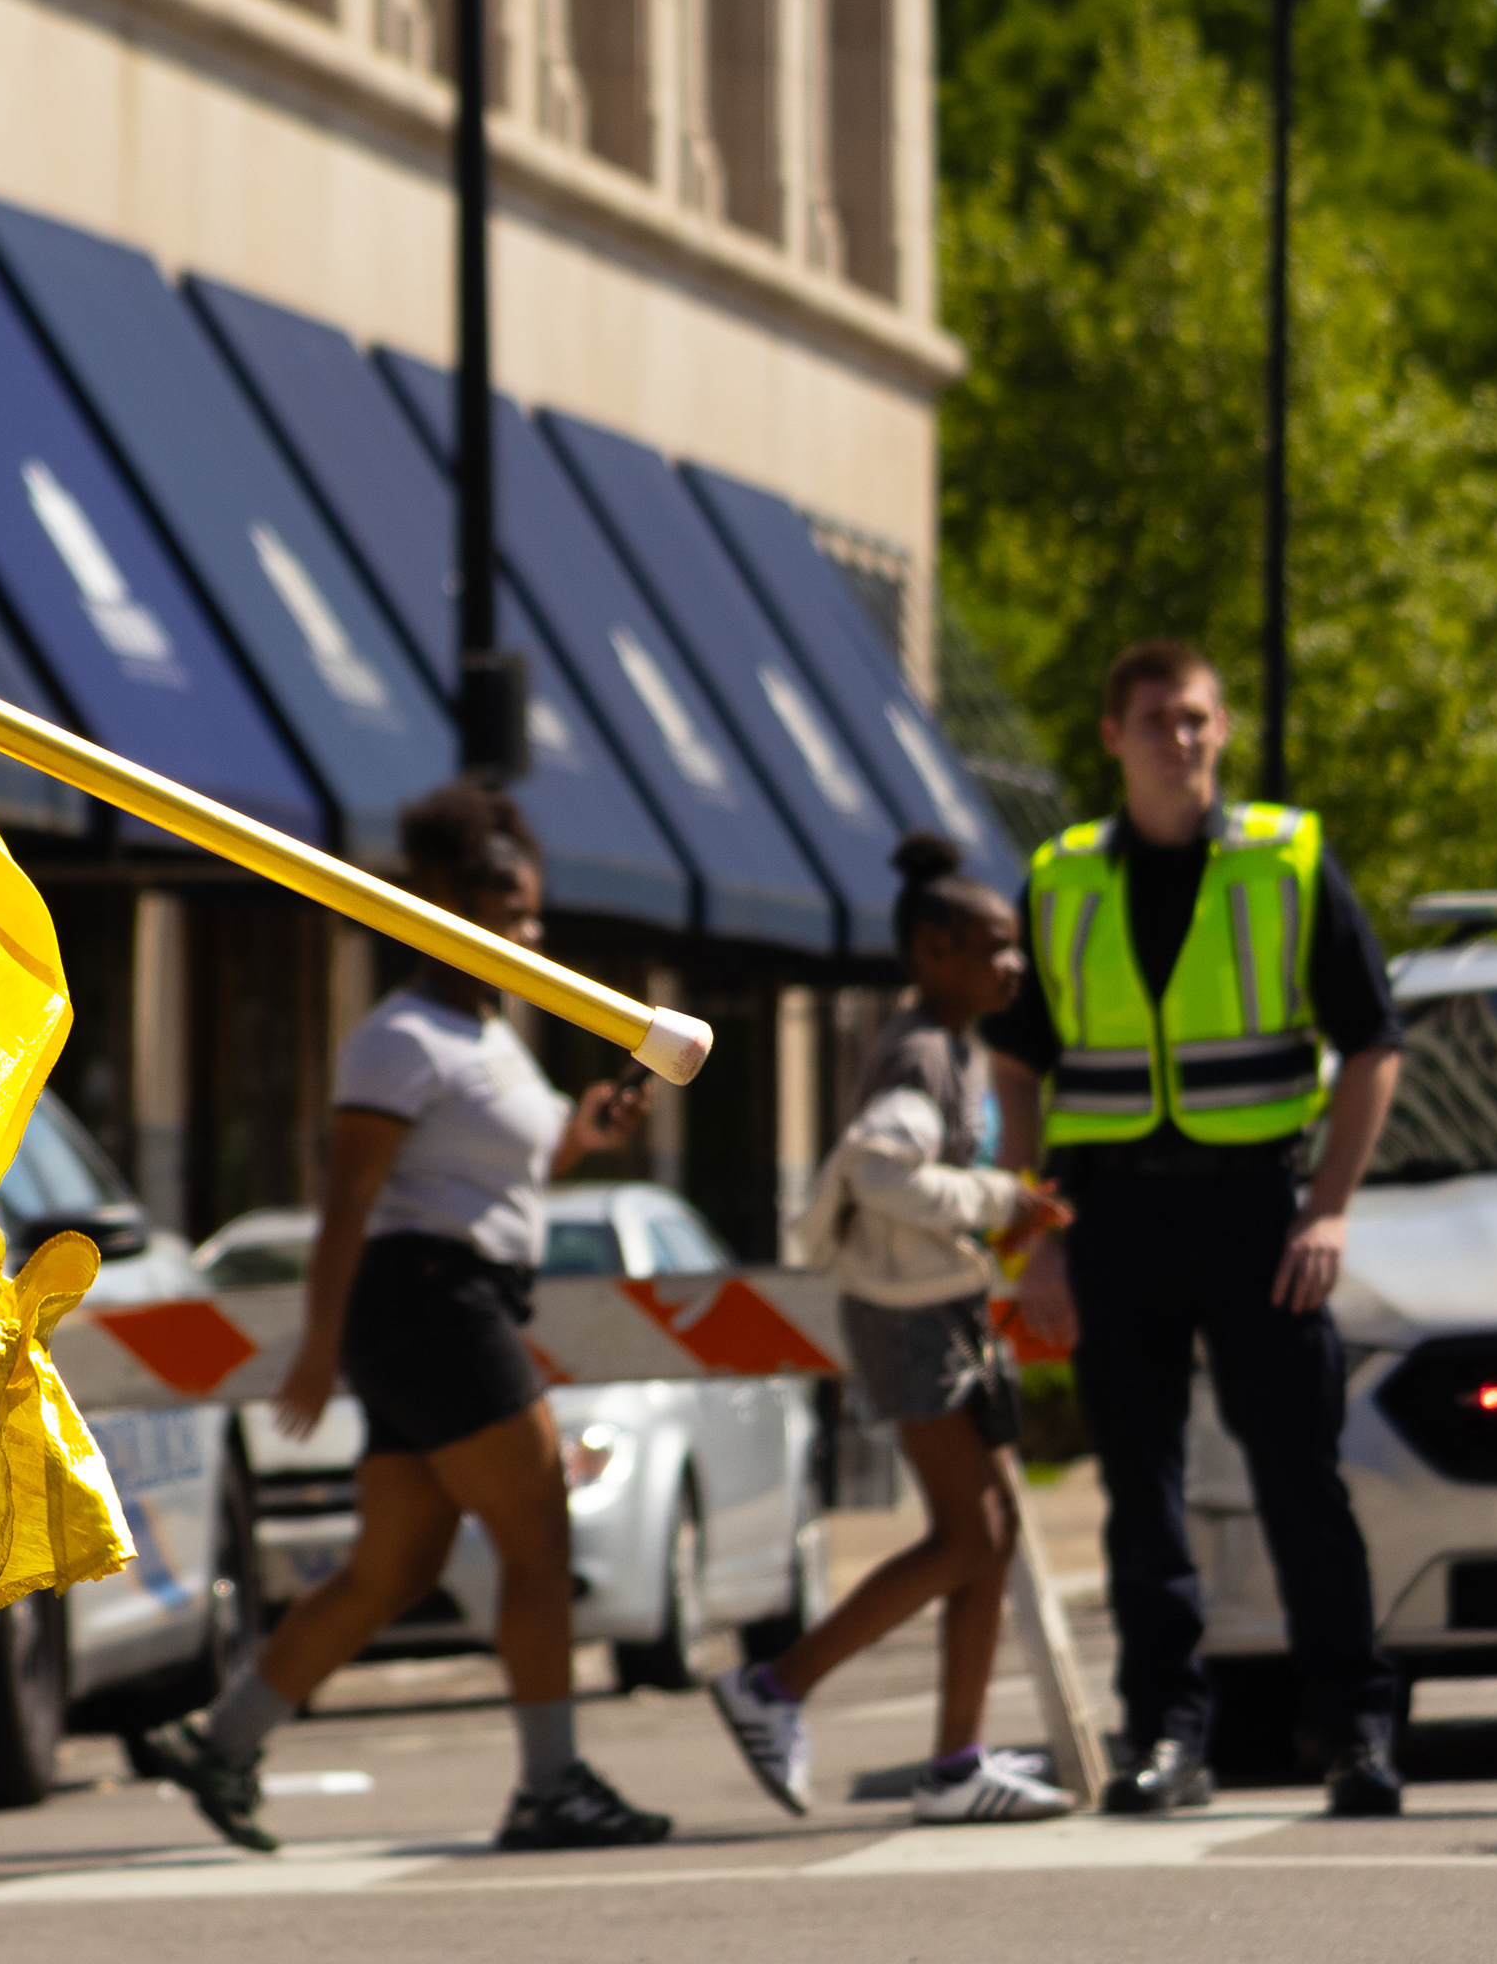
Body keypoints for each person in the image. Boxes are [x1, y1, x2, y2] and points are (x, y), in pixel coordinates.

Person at [138, 783, 665, 1853]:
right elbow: (349, 1198)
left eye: (531, 913)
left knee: (397, 1568)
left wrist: (584, 1135)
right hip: (432, 1300)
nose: (526, 933)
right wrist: (320, 1344)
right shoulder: (401, 1037)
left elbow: (505, 1169)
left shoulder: (491, 1031)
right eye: (501, 910)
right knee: (538, 1530)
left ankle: (221, 1740)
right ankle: (551, 1784)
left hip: (449, 1297)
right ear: (436, 904)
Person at [984, 641, 1408, 1818]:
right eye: (1160, 720)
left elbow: (1375, 1043)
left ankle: (1354, 1732)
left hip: (1257, 1212)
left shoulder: (1287, 862)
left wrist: (1328, 1207)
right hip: (1114, 1218)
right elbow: (1016, 1070)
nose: (1184, 739)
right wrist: (1035, 1239)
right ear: (1112, 735)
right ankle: (1167, 1739)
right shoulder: (1060, 879)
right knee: (1141, 1495)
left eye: (1201, 719)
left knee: (1299, 1485)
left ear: (1223, 731)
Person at [707, 834, 1077, 1824]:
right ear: (931, 951)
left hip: (936, 1312)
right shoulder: (919, 1051)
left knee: (988, 1536)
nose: (1013, 964)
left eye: (1014, 947)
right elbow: (877, 1170)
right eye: (994, 947)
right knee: (967, 1534)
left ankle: (956, 1762)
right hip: (907, 1322)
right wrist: (1001, 1196)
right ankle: (774, 1686)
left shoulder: (951, 1045)